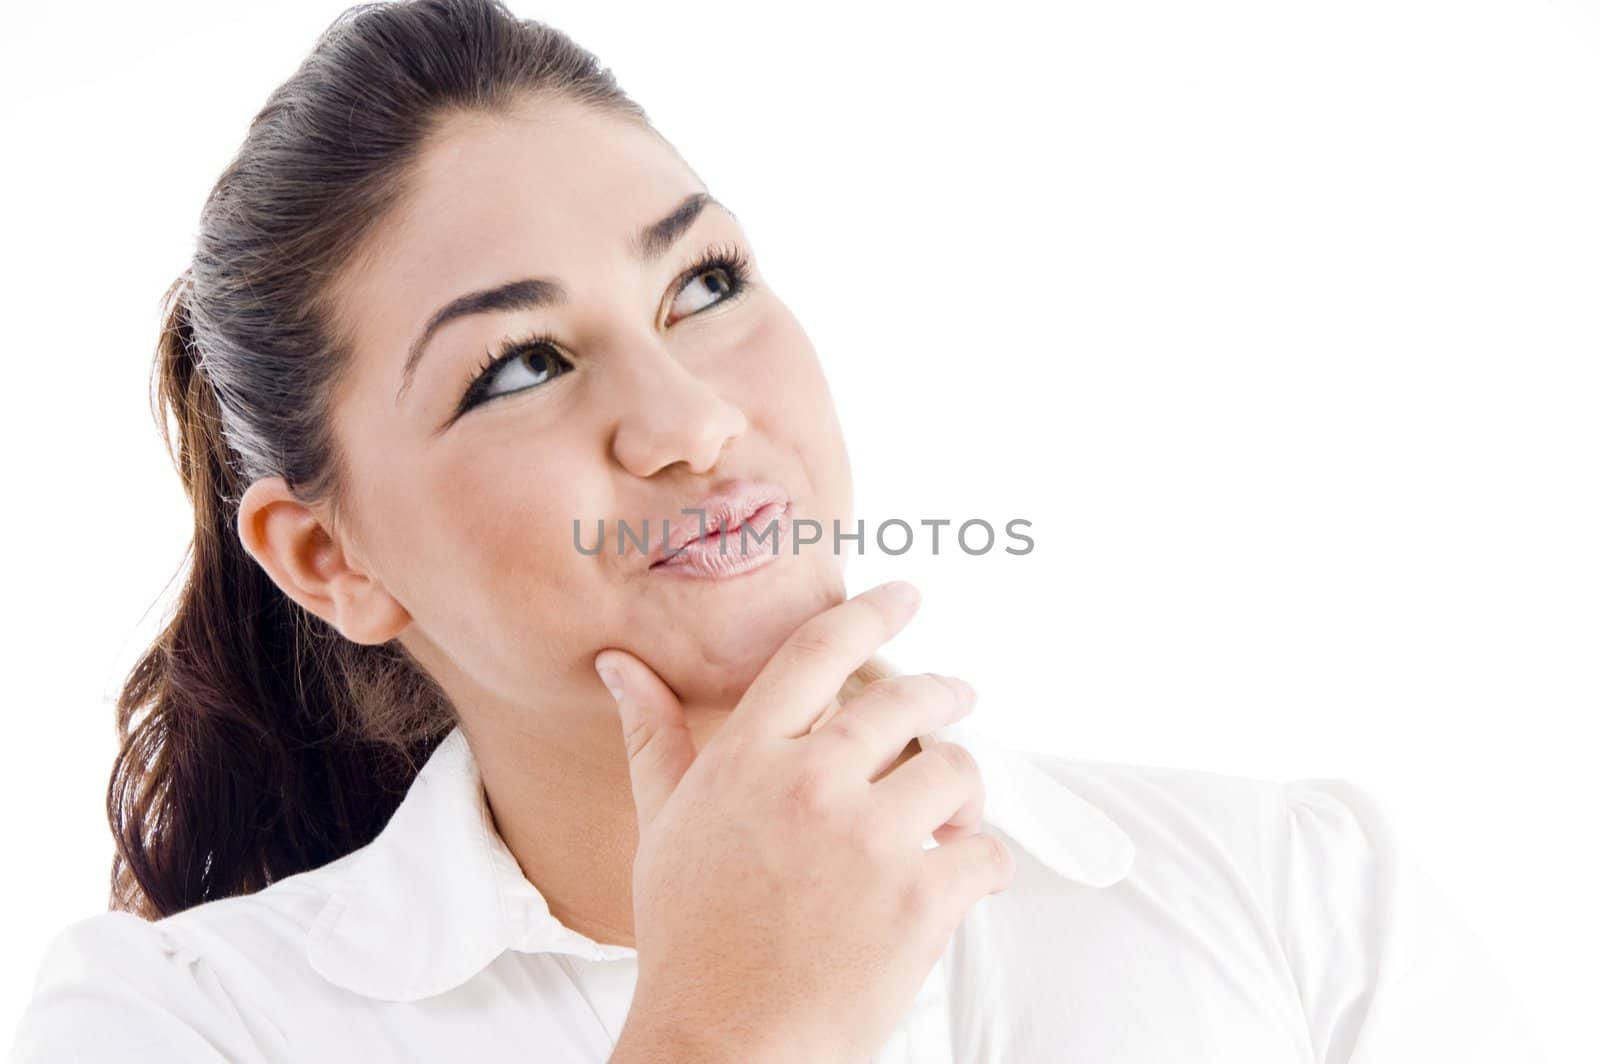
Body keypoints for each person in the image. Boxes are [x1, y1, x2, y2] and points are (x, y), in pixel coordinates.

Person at [8, 1, 1545, 1061]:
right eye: (520, 366)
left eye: (707, 285)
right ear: (330, 559)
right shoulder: (183, 1026)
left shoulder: (1296, 892)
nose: (689, 418)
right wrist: (732, 1026)